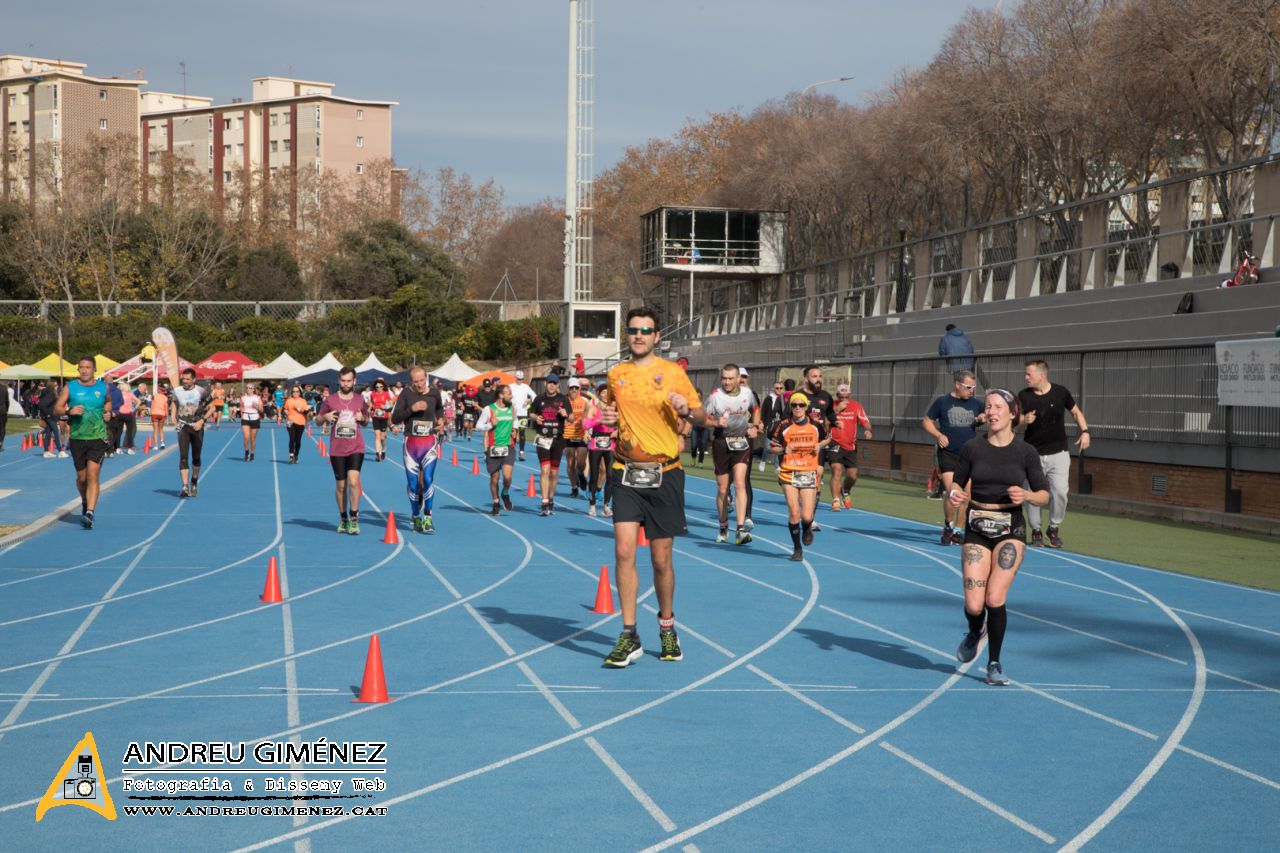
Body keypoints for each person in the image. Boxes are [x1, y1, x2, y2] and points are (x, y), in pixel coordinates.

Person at [598, 307, 705, 668]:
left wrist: (685, 411)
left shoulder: (673, 374)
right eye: (633, 330)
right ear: (626, 335)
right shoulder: (616, 375)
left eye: (646, 330)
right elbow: (607, 414)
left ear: (657, 336)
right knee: (624, 551)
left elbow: (702, 416)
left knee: (661, 560)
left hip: (664, 474)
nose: (639, 335)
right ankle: (629, 634)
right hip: (625, 472)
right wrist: (606, 418)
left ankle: (667, 626)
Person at [948, 389, 1050, 686]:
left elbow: (1044, 494)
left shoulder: (1025, 452)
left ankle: (993, 663)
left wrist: (1028, 494)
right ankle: (973, 630)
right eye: (987, 407)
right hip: (977, 526)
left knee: (995, 598)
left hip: (1011, 527)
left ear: (1011, 413)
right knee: (974, 605)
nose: (990, 412)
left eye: (997, 407)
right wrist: (956, 495)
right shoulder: (972, 448)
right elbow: (956, 484)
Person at [1018, 359, 1089, 549]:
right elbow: (1014, 422)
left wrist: (1085, 432)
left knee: (1059, 492)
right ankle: (1035, 530)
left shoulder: (1061, 392)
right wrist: (1025, 419)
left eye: (1029, 374)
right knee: (1033, 495)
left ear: (1041, 375)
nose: (1026, 377)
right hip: (1032, 454)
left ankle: (1053, 528)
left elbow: (1076, 413)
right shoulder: (1023, 396)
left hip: (1059, 453)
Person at [923, 371, 985, 545]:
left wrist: (982, 418)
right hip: (948, 454)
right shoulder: (943, 401)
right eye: (968, 387)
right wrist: (938, 435)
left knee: (966, 496)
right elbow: (927, 421)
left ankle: (958, 531)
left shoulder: (976, 404)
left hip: (969, 455)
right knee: (954, 494)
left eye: (973, 387)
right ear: (957, 385)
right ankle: (948, 524)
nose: (971, 391)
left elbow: (984, 417)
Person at [703, 363, 761, 545]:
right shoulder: (715, 397)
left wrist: (754, 427)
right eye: (724, 378)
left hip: (741, 442)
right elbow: (702, 418)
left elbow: (756, 410)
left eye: (730, 379)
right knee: (722, 489)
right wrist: (714, 422)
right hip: (721, 443)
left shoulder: (747, 394)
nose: (726, 382)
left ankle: (741, 529)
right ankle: (723, 526)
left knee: (740, 483)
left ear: (738, 379)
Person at [770, 391, 829, 561]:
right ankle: (797, 549)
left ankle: (807, 527)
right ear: (790, 407)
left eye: (801, 405)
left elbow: (827, 438)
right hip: (789, 472)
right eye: (794, 405)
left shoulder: (816, 425)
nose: (797, 408)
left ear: (806, 407)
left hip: (808, 472)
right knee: (794, 512)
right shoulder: (783, 425)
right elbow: (772, 447)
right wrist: (782, 450)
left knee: (807, 516)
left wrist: (819, 446)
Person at [55, 356, 113, 529]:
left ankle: (90, 512)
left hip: (98, 437)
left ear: (94, 370)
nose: (84, 370)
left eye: (88, 367)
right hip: (78, 438)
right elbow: (57, 408)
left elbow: (108, 403)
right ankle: (85, 500)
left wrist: (108, 412)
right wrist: (69, 410)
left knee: (92, 475)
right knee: (81, 479)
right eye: (81, 367)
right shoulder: (70, 387)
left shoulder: (103, 387)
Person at [391, 366, 446, 534]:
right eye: (416, 382)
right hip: (411, 444)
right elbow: (395, 417)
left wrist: (441, 420)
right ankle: (416, 515)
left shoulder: (435, 393)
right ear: (411, 381)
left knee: (428, 479)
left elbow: (439, 409)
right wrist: (411, 410)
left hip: (429, 442)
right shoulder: (406, 394)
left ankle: (428, 517)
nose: (420, 384)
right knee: (413, 485)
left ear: (426, 377)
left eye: (422, 380)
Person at [317, 367, 370, 534]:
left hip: (356, 446)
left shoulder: (360, 400)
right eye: (343, 380)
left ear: (354, 381)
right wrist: (324, 418)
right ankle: (343, 518)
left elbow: (366, 421)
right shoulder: (330, 400)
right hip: (337, 448)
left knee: (353, 482)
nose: (346, 384)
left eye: (349, 380)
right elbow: (318, 420)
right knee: (341, 486)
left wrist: (363, 419)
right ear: (339, 381)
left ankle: (354, 518)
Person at [826, 382, 873, 511]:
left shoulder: (856, 406)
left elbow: (866, 422)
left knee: (853, 475)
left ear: (850, 395)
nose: (844, 400)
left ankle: (845, 491)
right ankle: (835, 501)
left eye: (846, 397)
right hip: (834, 443)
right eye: (841, 397)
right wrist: (837, 410)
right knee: (836, 470)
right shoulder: (831, 406)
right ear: (837, 396)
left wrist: (868, 430)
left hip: (850, 446)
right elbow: (825, 421)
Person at [529, 375, 570, 516]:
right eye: (549, 383)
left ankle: (551, 498)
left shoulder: (563, 399)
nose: (551, 385)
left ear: (558, 385)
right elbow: (531, 413)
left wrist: (566, 414)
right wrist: (536, 418)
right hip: (543, 437)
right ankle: (544, 502)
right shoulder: (539, 399)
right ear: (546, 384)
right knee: (544, 470)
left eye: (554, 383)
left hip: (558, 439)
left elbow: (572, 418)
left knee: (554, 472)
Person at [170, 368, 214, 498]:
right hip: (183, 426)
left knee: (196, 457)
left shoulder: (201, 391)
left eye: (188, 379)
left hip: (197, 427)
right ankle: (184, 486)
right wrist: (173, 417)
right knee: (183, 457)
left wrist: (202, 420)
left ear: (194, 379)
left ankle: (194, 480)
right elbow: (174, 402)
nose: (185, 381)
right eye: (183, 379)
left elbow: (212, 408)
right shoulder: (177, 391)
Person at [475, 383, 517, 515]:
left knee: (507, 477)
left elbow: (515, 420)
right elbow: (478, 426)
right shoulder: (489, 409)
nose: (511, 395)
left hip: (508, 447)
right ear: (501, 395)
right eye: (508, 393)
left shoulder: (512, 408)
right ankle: (496, 502)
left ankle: (505, 493)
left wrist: (514, 430)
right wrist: (489, 425)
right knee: (494, 478)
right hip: (493, 448)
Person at [583, 381, 615, 517]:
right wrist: (598, 421)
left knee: (610, 475)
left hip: (610, 443)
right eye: (603, 393)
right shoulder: (594, 408)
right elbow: (585, 425)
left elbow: (622, 423)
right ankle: (592, 505)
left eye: (608, 393)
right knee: (594, 475)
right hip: (596, 442)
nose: (605, 395)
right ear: (599, 394)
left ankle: (606, 505)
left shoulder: (614, 409)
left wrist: (617, 432)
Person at [563, 377, 589, 498]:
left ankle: (581, 475)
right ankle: (574, 487)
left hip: (580, 435)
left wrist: (587, 432)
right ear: (568, 389)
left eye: (576, 388)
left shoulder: (584, 401)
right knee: (570, 464)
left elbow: (588, 419)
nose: (574, 390)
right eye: (571, 388)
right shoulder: (563, 401)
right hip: (567, 435)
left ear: (579, 389)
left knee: (580, 464)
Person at [509, 370, 537, 462]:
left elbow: (534, 396)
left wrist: (529, 400)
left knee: (522, 433)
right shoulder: (510, 386)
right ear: (515, 378)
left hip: (523, 414)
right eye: (518, 379)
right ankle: (512, 451)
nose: (520, 381)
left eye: (521, 379)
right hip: (512, 414)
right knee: (513, 433)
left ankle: (521, 452)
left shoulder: (526, 387)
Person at [38, 378, 67, 458]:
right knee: (56, 432)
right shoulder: (50, 393)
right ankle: (60, 451)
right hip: (50, 416)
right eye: (55, 383)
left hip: (49, 415)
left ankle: (46, 451)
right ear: (53, 384)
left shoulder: (48, 392)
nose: (56, 384)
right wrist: (47, 414)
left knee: (48, 433)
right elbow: (43, 404)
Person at [283, 385, 311, 464]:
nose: (295, 393)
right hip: (290, 421)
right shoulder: (289, 400)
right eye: (294, 391)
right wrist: (285, 412)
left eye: (297, 391)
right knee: (292, 438)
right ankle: (291, 456)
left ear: (299, 393)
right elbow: (285, 409)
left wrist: (301, 410)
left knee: (298, 441)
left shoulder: (303, 401)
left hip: (300, 422)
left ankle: (296, 455)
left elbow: (307, 411)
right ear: (291, 393)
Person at [111, 380, 139, 455]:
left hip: (119, 414)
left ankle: (117, 448)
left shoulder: (118, 394)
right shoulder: (130, 394)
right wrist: (134, 408)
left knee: (118, 432)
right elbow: (138, 401)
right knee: (129, 432)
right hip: (128, 414)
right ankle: (130, 448)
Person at [369, 379, 394, 461]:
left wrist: (385, 406)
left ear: (383, 387)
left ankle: (383, 449)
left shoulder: (386, 394)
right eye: (377, 387)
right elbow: (371, 403)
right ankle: (377, 454)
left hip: (384, 417)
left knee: (383, 438)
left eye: (380, 386)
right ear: (375, 387)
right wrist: (370, 407)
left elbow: (391, 403)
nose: (379, 388)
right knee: (377, 435)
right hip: (375, 417)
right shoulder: (373, 394)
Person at [239, 383, 264, 461]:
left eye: (250, 388)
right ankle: (246, 452)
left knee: (253, 438)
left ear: (253, 389)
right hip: (246, 418)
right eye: (247, 388)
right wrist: (242, 414)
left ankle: (252, 453)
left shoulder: (257, 398)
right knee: (246, 438)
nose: (248, 389)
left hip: (255, 418)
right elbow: (241, 407)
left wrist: (256, 406)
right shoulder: (243, 398)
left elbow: (262, 410)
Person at [150, 382, 169, 450]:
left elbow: (152, 406)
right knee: (161, 429)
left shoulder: (155, 396)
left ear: (159, 390)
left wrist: (150, 414)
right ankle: (162, 443)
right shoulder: (165, 398)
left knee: (155, 430)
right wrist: (167, 418)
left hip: (154, 413)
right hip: (162, 414)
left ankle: (155, 445)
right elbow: (166, 408)